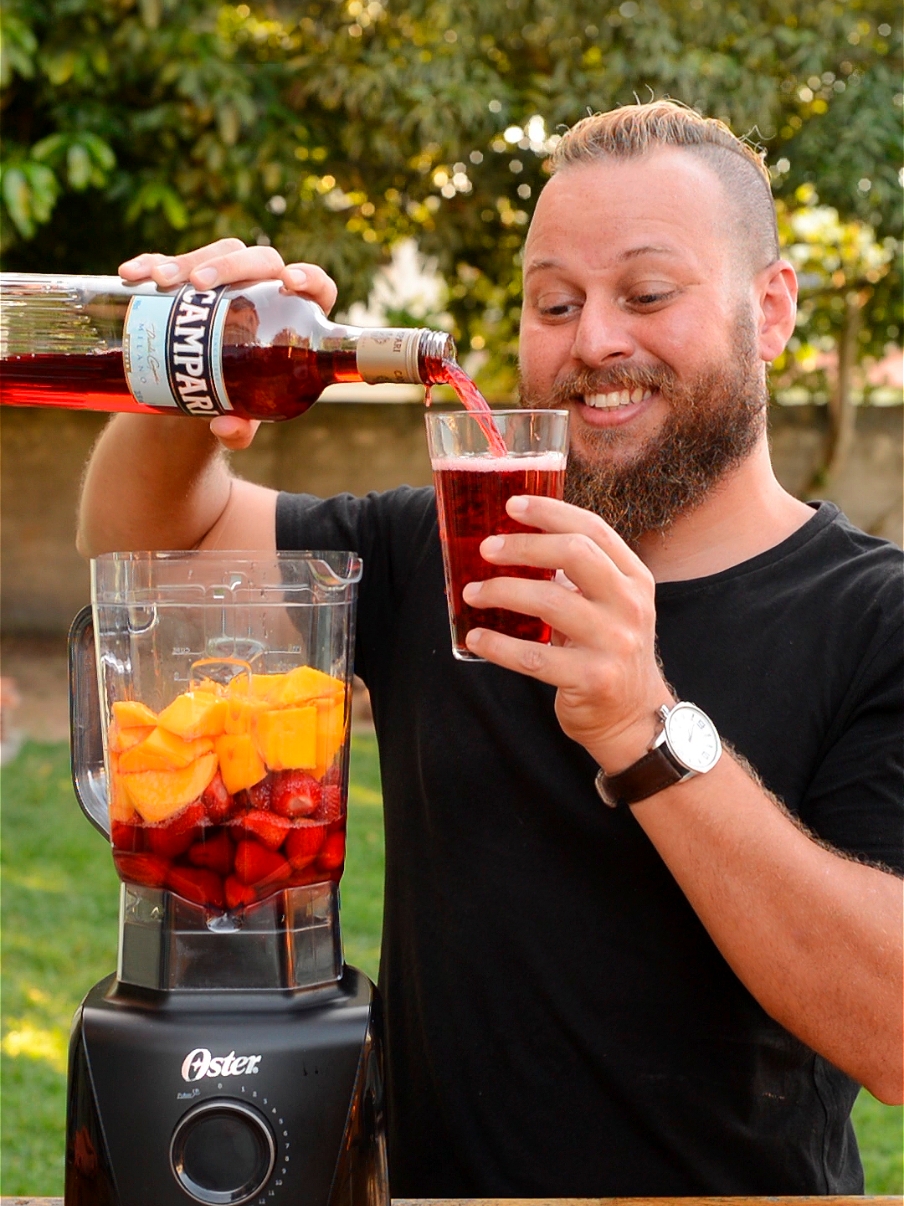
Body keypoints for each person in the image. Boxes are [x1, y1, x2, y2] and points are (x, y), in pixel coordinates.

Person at [78, 100, 903, 1195]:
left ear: (772, 308)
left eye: (646, 295)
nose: (594, 341)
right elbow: (151, 550)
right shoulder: (453, 547)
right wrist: (184, 385)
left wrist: (641, 729)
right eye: (553, 303)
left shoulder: (872, 616)